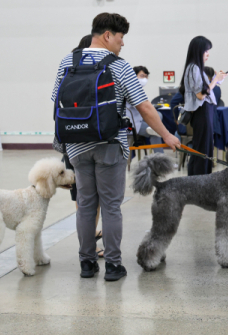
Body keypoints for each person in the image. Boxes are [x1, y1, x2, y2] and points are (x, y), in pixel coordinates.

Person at [52, 13, 180, 281]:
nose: (122, 44)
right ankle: (112, 266)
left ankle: (87, 264)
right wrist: (167, 135)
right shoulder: (119, 66)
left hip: (76, 146)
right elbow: (144, 107)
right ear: (107, 35)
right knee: (111, 206)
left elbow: (56, 101)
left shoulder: (67, 61)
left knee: (86, 205)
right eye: (121, 38)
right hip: (110, 145)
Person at [62, 34, 104, 257]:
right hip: (89, 143)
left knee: (82, 201)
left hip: (70, 143)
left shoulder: (69, 70)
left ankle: (86, 244)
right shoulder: (95, 73)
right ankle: (88, 247)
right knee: (90, 202)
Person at [179, 36, 227, 175]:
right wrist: (215, 80)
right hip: (202, 111)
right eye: (206, 51)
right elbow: (201, 94)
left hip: (205, 111)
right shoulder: (194, 68)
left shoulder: (196, 68)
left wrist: (217, 81)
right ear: (198, 51)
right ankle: (200, 182)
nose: (208, 54)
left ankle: (200, 181)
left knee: (204, 147)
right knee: (202, 149)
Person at [126, 66, 164, 153]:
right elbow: (143, 108)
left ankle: (159, 159)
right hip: (129, 126)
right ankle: (160, 161)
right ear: (133, 76)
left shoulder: (137, 89)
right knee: (156, 132)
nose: (145, 79)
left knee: (159, 115)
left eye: (146, 77)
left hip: (136, 121)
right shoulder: (130, 89)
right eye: (142, 76)